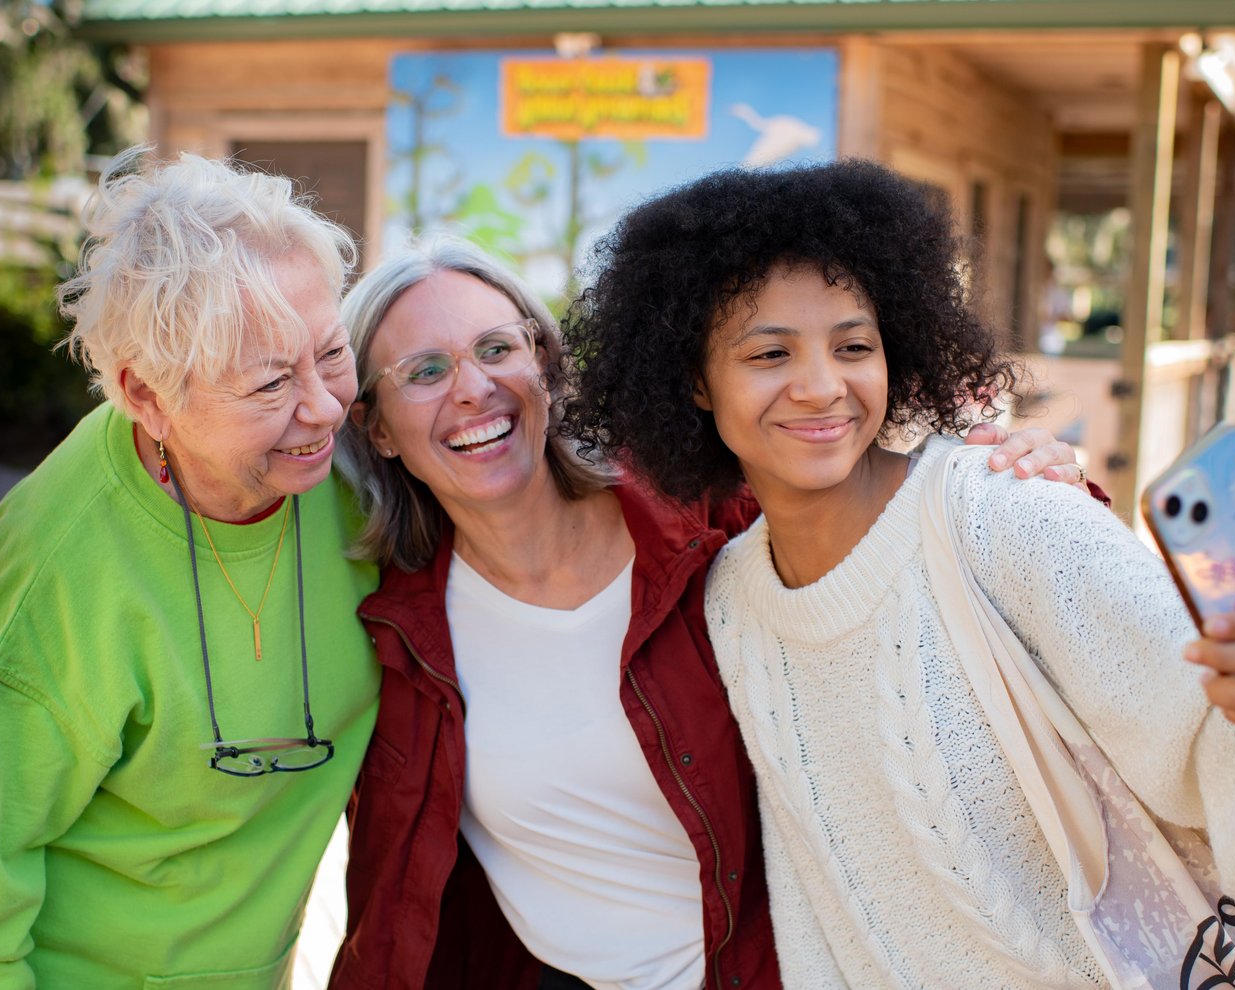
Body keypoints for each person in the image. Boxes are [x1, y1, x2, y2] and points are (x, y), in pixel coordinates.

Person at [326, 236, 1089, 990]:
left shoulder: (715, 522)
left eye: (496, 348)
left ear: (547, 367)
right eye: (424, 371)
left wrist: (1021, 492)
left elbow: (909, 545)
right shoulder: (397, 631)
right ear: (379, 428)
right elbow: (398, 902)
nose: (472, 389)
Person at [561, 159, 1235, 988]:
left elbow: (1206, 728)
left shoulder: (1002, 510)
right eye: (769, 353)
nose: (821, 387)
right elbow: (824, 908)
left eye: (854, 346)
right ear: (695, 382)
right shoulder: (735, 602)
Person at [0, 149, 380, 988]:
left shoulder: (361, 470)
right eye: (269, 385)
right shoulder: (56, 568)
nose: (325, 406)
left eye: (330, 354)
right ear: (147, 395)